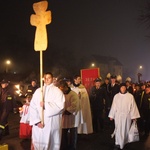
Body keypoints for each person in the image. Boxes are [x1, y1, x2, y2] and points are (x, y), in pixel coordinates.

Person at [29, 72, 65, 150]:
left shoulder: (57, 92)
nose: (46, 79)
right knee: (39, 143)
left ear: (52, 79)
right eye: (45, 78)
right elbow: (32, 107)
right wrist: (36, 121)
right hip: (39, 124)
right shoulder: (38, 91)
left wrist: (46, 105)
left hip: (52, 124)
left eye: (48, 78)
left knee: (51, 143)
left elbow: (60, 106)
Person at [108, 83, 140, 150]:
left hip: (127, 117)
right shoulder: (116, 96)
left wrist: (134, 116)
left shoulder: (130, 96)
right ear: (120, 88)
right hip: (118, 116)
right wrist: (112, 115)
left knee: (126, 130)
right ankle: (117, 143)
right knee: (118, 130)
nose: (123, 89)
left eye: (124, 87)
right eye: (122, 87)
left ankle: (125, 142)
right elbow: (114, 106)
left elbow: (133, 107)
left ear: (126, 88)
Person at [58, 80, 80, 150]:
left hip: (72, 117)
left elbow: (75, 105)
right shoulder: (61, 94)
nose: (61, 90)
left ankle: (72, 147)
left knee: (72, 134)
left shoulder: (73, 94)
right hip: (64, 118)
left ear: (66, 87)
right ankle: (64, 147)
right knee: (63, 133)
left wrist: (66, 111)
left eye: (62, 88)